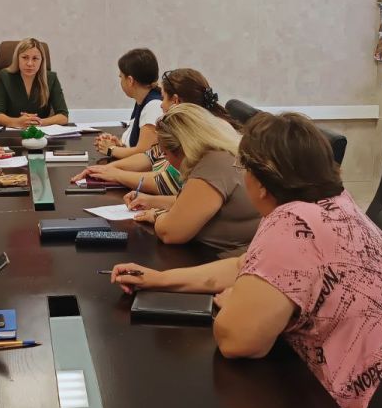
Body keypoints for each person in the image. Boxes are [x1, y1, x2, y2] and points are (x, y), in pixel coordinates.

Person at [109, 112, 382, 408]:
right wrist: (159, 279)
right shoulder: (335, 205)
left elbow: (236, 341)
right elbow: (244, 265)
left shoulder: (292, 223)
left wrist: (236, 302)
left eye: (244, 170)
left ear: (262, 183)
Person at [72, 68, 238, 199]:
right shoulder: (181, 127)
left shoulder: (198, 135)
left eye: (163, 98)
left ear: (176, 101)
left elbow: (166, 182)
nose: (161, 105)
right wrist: (105, 170)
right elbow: (150, 156)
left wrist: (116, 174)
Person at [127, 103, 259, 254]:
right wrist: (150, 201)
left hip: (220, 256)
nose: (166, 161)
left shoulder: (213, 165)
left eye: (165, 154)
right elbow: (193, 201)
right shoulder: (223, 154)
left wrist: (157, 216)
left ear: (183, 149)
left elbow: (170, 232)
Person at [95, 48, 161, 159]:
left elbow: (144, 153)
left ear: (130, 80)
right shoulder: (142, 101)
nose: (120, 81)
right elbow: (135, 146)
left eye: (121, 77)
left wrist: (111, 150)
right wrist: (119, 145)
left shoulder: (153, 106)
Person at [0, 37, 69, 128]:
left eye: (35, 58)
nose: (30, 63)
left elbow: (63, 116)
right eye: (25, 57)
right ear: (17, 58)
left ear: (42, 60)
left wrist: (39, 122)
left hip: (41, 133)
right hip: (11, 133)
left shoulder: (51, 78)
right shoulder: (4, 77)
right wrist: (17, 122)